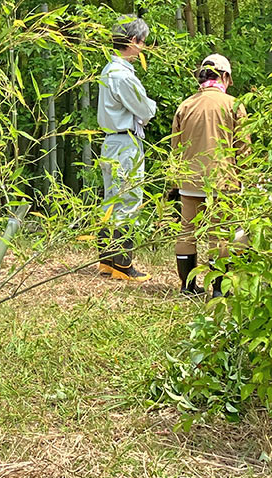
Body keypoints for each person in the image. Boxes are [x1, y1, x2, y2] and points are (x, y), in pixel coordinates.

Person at [171, 54, 250, 297]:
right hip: (222, 181)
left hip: (189, 181)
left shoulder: (185, 105)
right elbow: (243, 146)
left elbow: (176, 147)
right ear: (224, 76)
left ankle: (187, 286)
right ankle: (219, 288)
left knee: (187, 231)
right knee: (220, 233)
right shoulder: (233, 104)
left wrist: (174, 183)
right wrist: (246, 176)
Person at [97, 15, 157, 282]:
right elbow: (144, 109)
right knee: (128, 200)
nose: (142, 48)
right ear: (133, 41)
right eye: (142, 42)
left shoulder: (109, 70)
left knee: (111, 197)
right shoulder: (122, 75)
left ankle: (106, 260)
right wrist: (148, 109)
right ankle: (122, 264)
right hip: (125, 142)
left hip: (111, 140)